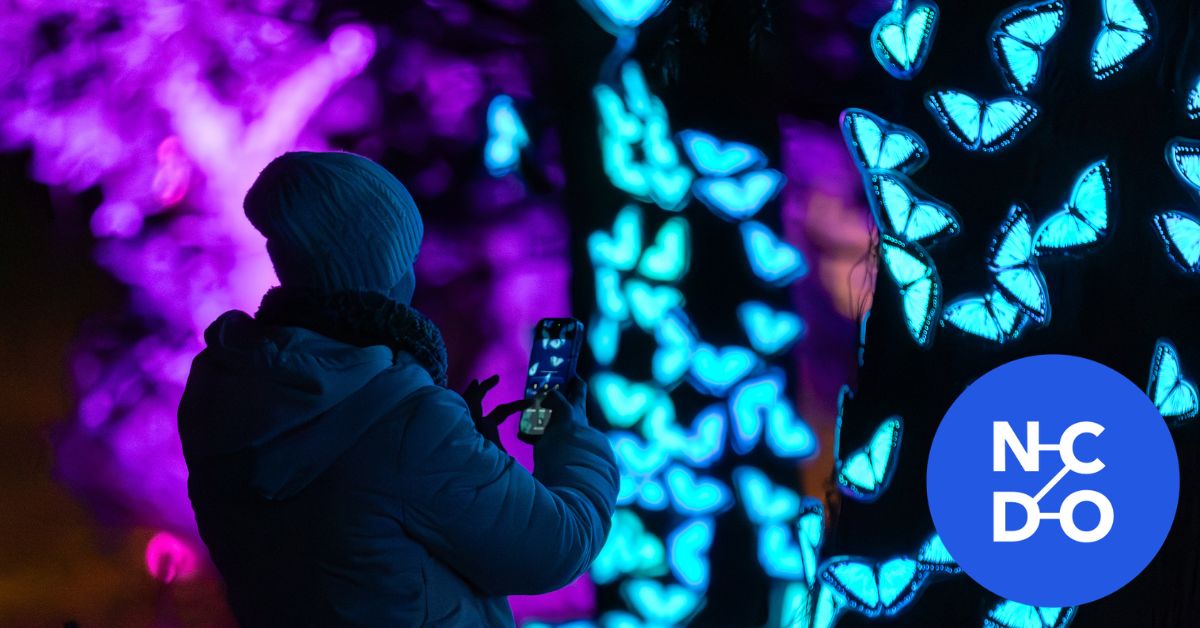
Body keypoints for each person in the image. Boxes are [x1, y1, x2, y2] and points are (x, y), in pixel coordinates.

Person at [177, 151, 619, 627]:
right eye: (408, 257)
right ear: (381, 267)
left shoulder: (228, 400)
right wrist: (570, 439)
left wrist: (471, 456)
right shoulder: (406, 421)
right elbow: (558, 546)